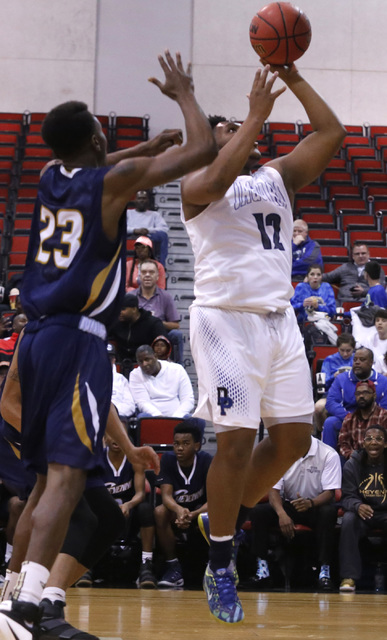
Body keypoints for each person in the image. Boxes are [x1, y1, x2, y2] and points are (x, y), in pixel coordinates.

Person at [0, 50, 217, 640]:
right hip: (78, 340)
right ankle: (24, 610)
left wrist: (143, 150)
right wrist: (184, 94)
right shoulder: (108, 182)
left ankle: (21, 595)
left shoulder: (51, 177)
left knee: (47, 483)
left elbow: (105, 167)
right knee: (68, 482)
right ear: (96, 140)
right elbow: (202, 152)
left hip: (37, 337)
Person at [180, 59, 346, 623]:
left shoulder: (277, 176)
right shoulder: (196, 188)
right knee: (234, 440)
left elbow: (331, 133)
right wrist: (253, 115)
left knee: (294, 442)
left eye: (240, 127)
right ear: (210, 144)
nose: (236, 130)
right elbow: (215, 172)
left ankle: (215, 516)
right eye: (223, 128)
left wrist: (292, 74)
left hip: (279, 322)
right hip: (225, 320)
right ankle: (221, 561)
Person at [251, 432, 341, 591]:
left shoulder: (328, 454)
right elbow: (273, 491)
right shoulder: (281, 453)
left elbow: (330, 493)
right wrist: (281, 514)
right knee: (259, 512)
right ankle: (263, 569)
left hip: (315, 505)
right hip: (289, 505)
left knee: (329, 512)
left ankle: (324, 571)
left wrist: (310, 503)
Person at [155, 421, 212, 588]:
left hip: (201, 513)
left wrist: (192, 514)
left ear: (197, 446)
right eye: (176, 443)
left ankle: (216, 567)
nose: (179, 448)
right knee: (159, 512)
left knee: (214, 514)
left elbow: (214, 500)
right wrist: (180, 510)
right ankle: (173, 566)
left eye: (185, 444)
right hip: (177, 514)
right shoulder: (167, 459)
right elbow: (166, 496)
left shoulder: (206, 461)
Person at [100, 432, 157, 589]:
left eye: (122, 435)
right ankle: (86, 567)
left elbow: (140, 493)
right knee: (86, 509)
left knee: (146, 509)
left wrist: (128, 505)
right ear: (105, 438)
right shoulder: (97, 458)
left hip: (128, 511)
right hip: (103, 510)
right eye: (113, 434)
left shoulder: (134, 459)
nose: (117, 438)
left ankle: (146, 564)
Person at [339, 424, 387, 593]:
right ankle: (349, 577)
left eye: (379, 439)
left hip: (385, 512)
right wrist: (358, 506)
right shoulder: (353, 464)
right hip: (363, 513)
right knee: (348, 519)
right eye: (369, 439)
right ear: (363, 443)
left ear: (386, 444)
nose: (373, 442)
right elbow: (347, 497)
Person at [322, 347, 387, 450]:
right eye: (355, 359)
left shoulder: (383, 381)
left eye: (362, 360)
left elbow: (385, 407)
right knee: (330, 422)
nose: (357, 362)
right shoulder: (341, 378)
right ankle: (328, 461)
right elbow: (331, 402)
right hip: (346, 417)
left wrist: (368, 420)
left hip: (375, 420)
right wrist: (349, 418)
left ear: (371, 362)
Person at [135, 259, 184, 364]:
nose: (147, 275)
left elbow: (175, 325)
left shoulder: (166, 297)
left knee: (176, 335)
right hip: (137, 334)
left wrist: (156, 323)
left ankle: (179, 369)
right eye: (144, 272)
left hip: (160, 337)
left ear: (157, 276)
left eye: (151, 272)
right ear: (139, 276)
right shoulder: (131, 296)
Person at [129, 345, 194, 419]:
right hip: (152, 418)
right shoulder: (135, 374)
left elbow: (188, 399)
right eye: (140, 362)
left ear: (155, 356)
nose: (144, 364)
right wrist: (159, 418)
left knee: (197, 421)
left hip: (178, 416)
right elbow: (143, 402)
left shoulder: (177, 369)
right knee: (143, 417)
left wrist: (176, 417)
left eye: (147, 359)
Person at [109, 294, 168, 375]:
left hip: (146, 366)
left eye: (123, 309)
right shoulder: (115, 322)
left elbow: (163, 346)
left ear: (134, 309)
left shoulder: (153, 323)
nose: (119, 312)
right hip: (118, 365)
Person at [314, 334, 356, 433]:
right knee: (318, 408)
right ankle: (322, 433)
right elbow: (323, 382)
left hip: (353, 394)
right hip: (331, 394)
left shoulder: (357, 359)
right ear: (337, 348)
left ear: (353, 349)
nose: (345, 354)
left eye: (348, 350)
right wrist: (334, 376)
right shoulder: (329, 360)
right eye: (342, 350)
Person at [338, 380, 387, 460]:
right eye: (358, 393)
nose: (361, 396)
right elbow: (343, 444)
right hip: (356, 461)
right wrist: (353, 456)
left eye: (365, 393)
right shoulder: (349, 419)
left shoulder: (384, 416)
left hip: (381, 461)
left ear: (374, 395)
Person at [126, 190, 169, 266]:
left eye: (144, 198)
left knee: (163, 235)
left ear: (148, 200)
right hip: (131, 235)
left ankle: (161, 265)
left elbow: (164, 228)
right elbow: (121, 228)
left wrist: (148, 230)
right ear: (135, 200)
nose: (142, 200)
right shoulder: (128, 213)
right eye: (139, 198)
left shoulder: (154, 214)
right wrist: (135, 230)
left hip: (148, 236)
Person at [107, 343, 136, 419]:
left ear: (114, 360)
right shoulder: (90, 378)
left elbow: (130, 405)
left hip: (119, 417)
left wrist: (115, 412)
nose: (106, 360)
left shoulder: (121, 379)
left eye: (109, 358)